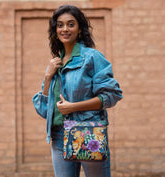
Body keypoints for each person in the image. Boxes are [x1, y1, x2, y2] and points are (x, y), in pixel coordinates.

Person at [33, 5, 123, 177]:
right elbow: (45, 111)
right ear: (55, 30)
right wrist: (47, 77)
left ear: (80, 28)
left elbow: (111, 95)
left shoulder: (92, 57)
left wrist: (74, 107)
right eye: (60, 25)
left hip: (88, 132)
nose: (65, 29)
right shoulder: (55, 63)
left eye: (70, 24)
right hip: (58, 136)